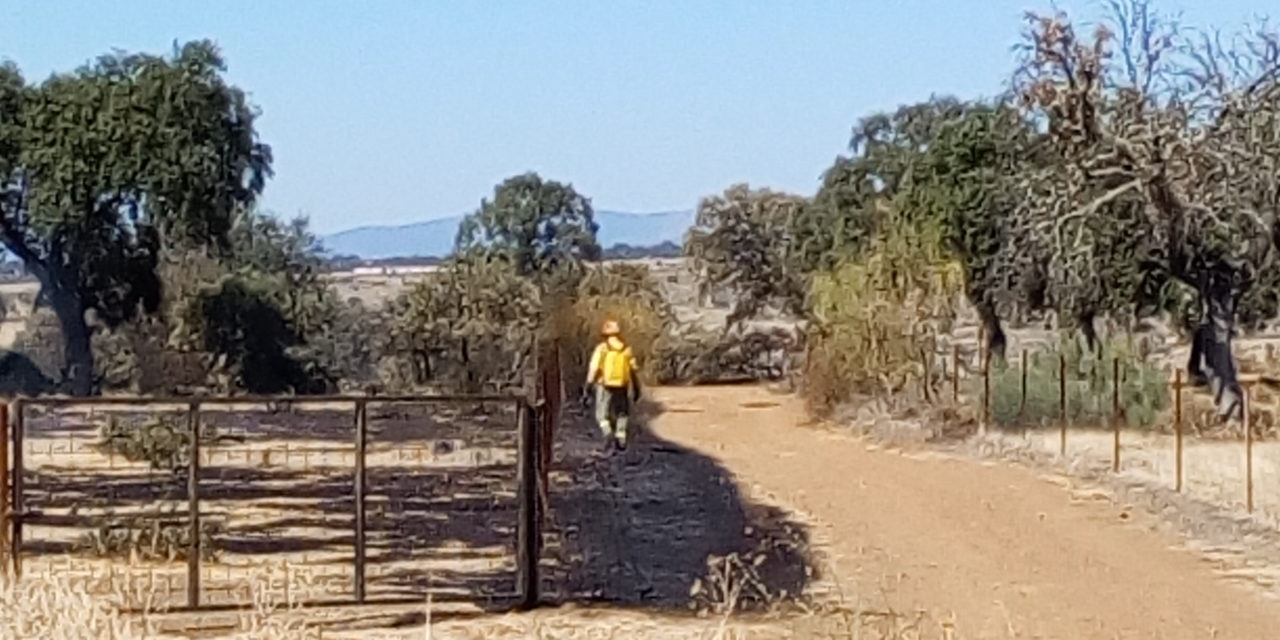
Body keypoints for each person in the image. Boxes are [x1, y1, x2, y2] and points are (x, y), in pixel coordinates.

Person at [585, 319, 641, 450]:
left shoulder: (602, 348)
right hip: (622, 385)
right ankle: (621, 438)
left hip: (604, 384)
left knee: (601, 414)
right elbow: (633, 369)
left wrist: (588, 385)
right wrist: (636, 387)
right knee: (622, 413)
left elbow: (593, 368)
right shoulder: (626, 349)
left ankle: (608, 433)